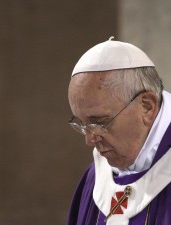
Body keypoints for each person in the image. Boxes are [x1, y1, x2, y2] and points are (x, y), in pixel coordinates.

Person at [67, 37, 171, 225]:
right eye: (82, 124)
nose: (90, 140)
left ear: (146, 106)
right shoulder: (94, 180)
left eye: (100, 122)